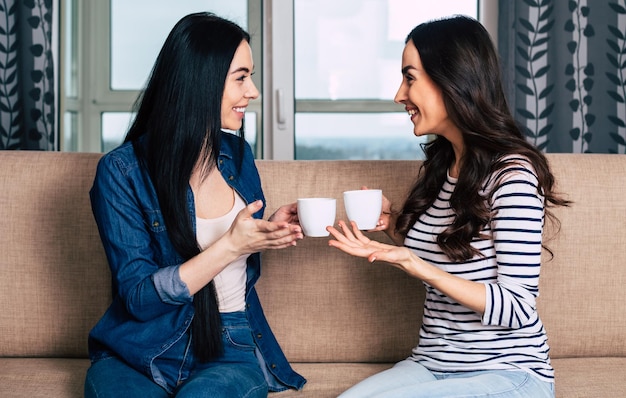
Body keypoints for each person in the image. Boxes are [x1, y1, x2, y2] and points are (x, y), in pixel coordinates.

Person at [327, 15, 569, 398]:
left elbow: (518, 307)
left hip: (508, 371)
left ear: (451, 80)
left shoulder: (513, 175)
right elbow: (452, 245)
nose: (398, 95)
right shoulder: (446, 165)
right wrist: (393, 225)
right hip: (432, 363)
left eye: (409, 78)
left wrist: (412, 263)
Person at [84, 12, 306, 397]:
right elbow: (138, 298)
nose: (252, 91)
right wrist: (232, 245)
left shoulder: (238, 154)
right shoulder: (120, 172)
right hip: (138, 349)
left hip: (228, 344)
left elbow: (231, 250)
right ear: (201, 82)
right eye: (241, 78)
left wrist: (263, 231)